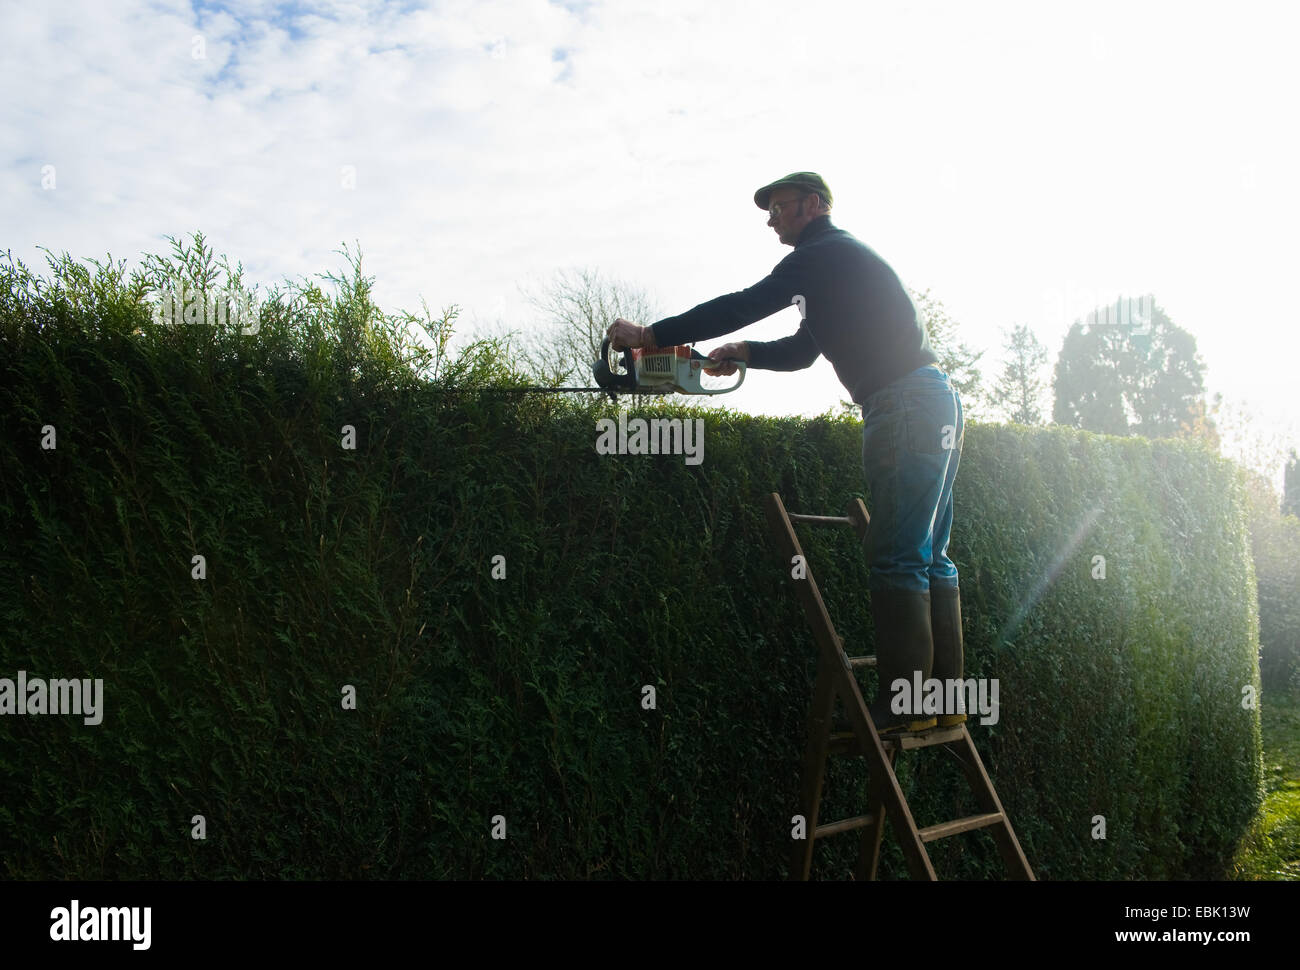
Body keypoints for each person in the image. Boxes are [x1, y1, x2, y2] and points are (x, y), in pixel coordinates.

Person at [606, 172, 966, 734]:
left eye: (779, 207)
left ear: (814, 205)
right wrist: (746, 353)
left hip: (901, 407)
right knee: (929, 553)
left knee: (895, 554)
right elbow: (804, 351)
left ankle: (905, 707)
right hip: (931, 400)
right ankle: (943, 700)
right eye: (768, 210)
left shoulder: (821, 253)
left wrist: (651, 333)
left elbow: (745, 302)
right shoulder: (837, 268)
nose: (771, 218)